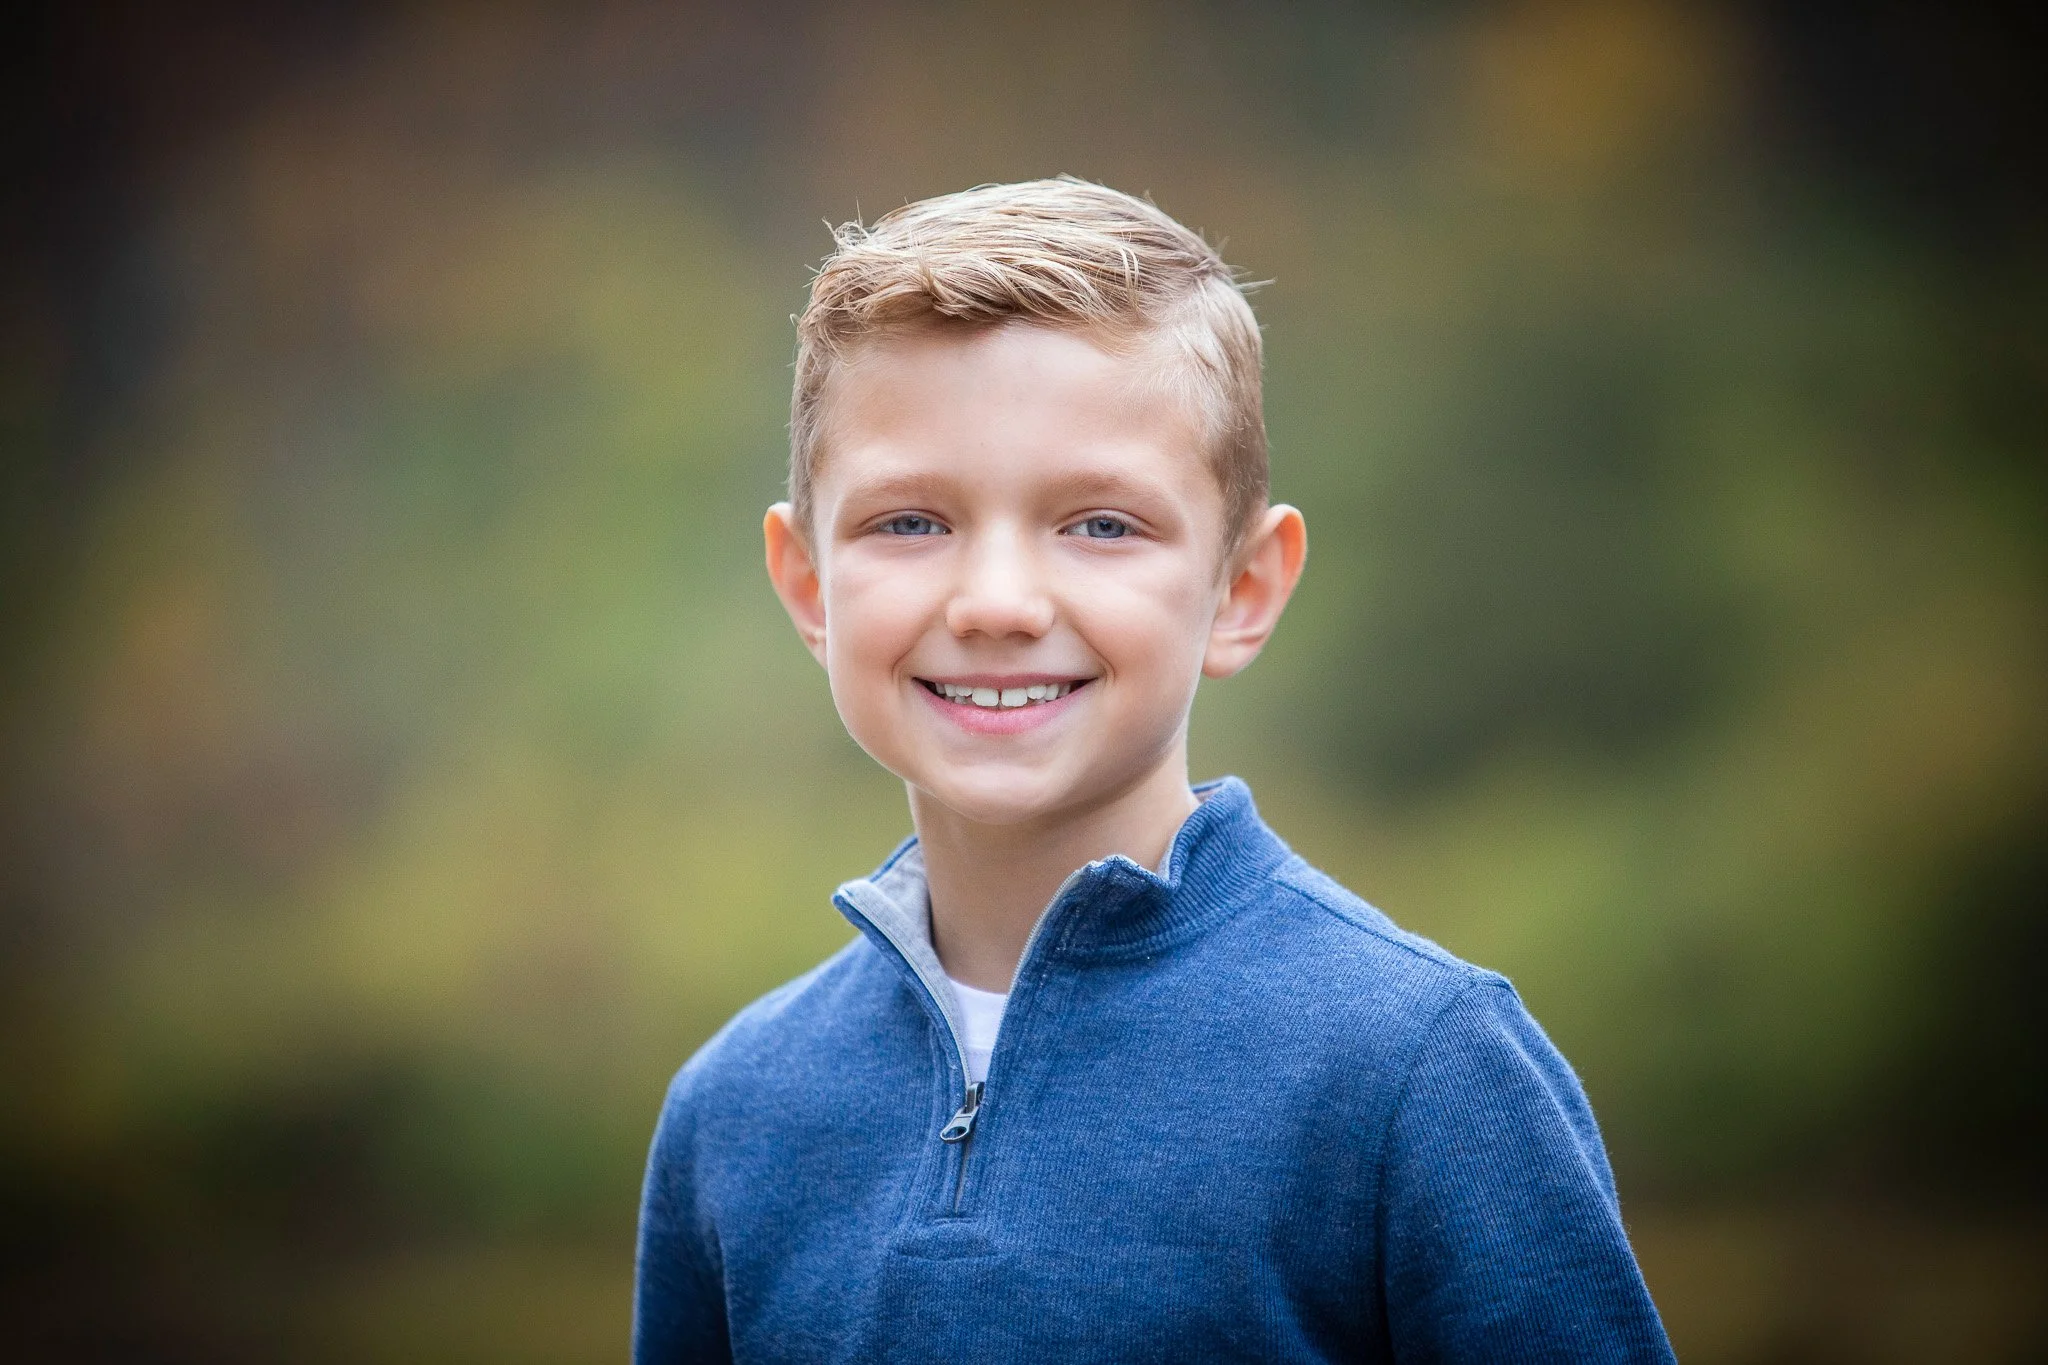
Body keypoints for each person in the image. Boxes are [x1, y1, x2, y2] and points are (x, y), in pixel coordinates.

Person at [633, 177, 1674, 1363]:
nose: (996, 604)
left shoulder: (1420, 1072)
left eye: (1100, 525)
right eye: (910, 523)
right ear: (808, 585)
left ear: (1241, 590)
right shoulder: (736, 1112)